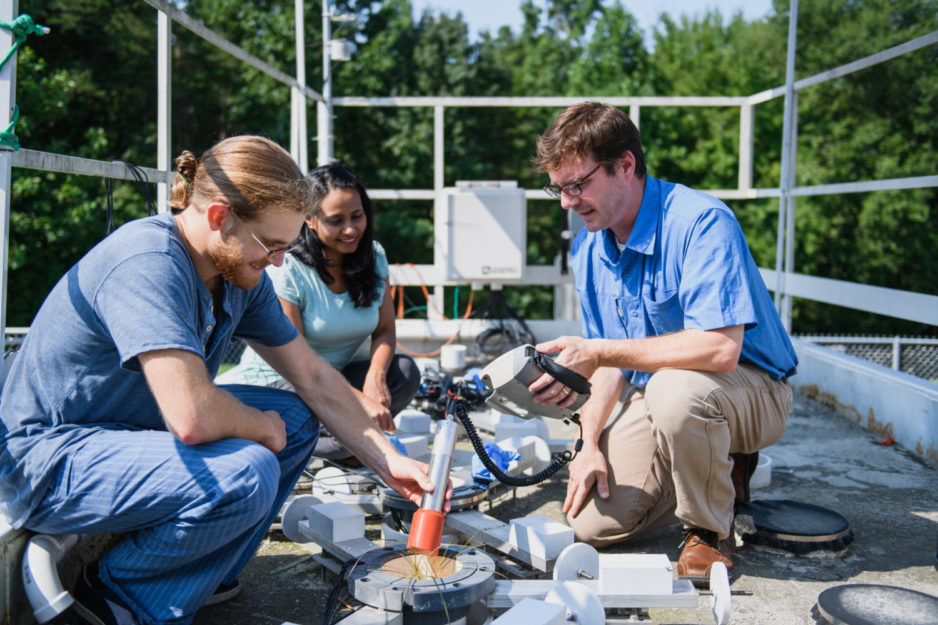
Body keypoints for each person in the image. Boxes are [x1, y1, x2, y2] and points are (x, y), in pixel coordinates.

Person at [0, 136, 442, 625]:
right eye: (271, 245)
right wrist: (261, 428)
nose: (278, 261)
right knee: (246, 469)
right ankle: (120, 600)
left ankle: (204, 577)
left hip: (126, 438)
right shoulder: (147, 261)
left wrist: (386, 459)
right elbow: (193, 418)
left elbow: (313, 375)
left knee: (297, 414)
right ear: (219, 216)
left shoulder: (235, 273)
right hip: (48, 460)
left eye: (285, 246)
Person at [529, 102, 797, 585]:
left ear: (625, 166)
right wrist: (587, 444)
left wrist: (601, 353)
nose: (566, 202)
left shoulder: (701, 222)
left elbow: (720, 350)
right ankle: (714, 468)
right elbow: (609, 362)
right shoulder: (589, 245)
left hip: (753, 389)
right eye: (558, 188)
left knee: (674, 391)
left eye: (578, 185)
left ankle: (709, 531)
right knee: (594, 526)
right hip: (668, 395)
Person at [224, 164, 420, 463]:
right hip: (286, 378)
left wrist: (375, 378)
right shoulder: (288, 268)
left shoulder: (375, 256)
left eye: (357, 216)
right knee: (354, 430)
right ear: (311, 220)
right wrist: (360, 401)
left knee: (404, 372)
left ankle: (331, 445)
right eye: (336, 220)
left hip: (336, 378)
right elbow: (298, 361)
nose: (350, 229)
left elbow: (385, 330)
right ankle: (338, 445)